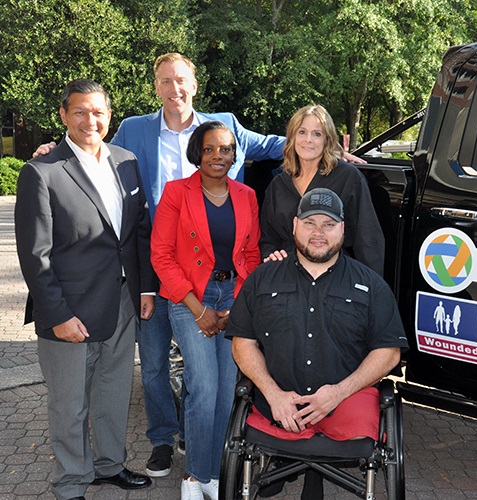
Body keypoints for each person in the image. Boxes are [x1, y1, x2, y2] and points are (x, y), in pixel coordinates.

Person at [33, 55, 365, 478]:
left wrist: (330, 148)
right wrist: (53, 149)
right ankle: (161, 440)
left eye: (182, 81)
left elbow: (269, 143)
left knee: (209, 383)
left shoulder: (223, 126)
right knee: (152, 363)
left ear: (195, 84)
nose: (175, 89)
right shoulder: (134, 128)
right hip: (153, 259)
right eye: (166, 81)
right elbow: (92, 145)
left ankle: (200, 442)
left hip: (218, 270)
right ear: (156, 86)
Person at [15, 79, 157, 500]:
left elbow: (138, 234)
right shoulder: (41, 172)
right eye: (79, 111)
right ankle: (71, 482)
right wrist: (56, 315)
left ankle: (109, 467)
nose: (89, 120)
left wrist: (146, 289)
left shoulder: (126, 160)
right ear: (63, 116)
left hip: (122, 304)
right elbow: (34, 256)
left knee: (112, 394)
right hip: (69, 311)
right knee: (69, 405)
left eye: (98, 112)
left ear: (109, 116)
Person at [227, 187, 408, 498]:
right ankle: (301, 467)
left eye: (329, 224)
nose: (319, 233)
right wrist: (273, 394)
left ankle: (309, 471)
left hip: (346, 401)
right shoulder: (263, 279)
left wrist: (337, 393)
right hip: (277, 404)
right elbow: (243, 342)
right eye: (310, 223)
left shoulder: (370, 285)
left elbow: (389, 352)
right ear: (295, 225)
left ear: (343, 229)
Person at [151, 120, 261, 500]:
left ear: (234, 154)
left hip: (233, 296)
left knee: (227, 391)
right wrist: (199, 310)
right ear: (197, 152)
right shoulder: (175, 193)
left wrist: (239, 302)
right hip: (188, 298)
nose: (218, 156)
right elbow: (161, 256)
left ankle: (211, 474)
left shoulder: (246, 195)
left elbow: (251, 254)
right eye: (211, 148)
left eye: (226, 149)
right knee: (204, 385)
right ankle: (195, 477)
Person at [259, 104, 384, 275]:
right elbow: (268, 237)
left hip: (334, 277)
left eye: (317, 134)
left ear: (327, 139)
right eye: (302, 132)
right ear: (292, 137)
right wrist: (270, 254)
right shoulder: (279, 183)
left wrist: (371, 287)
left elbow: (368, 239)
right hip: (286, 277)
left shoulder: (348, 177)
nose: (308, 139)